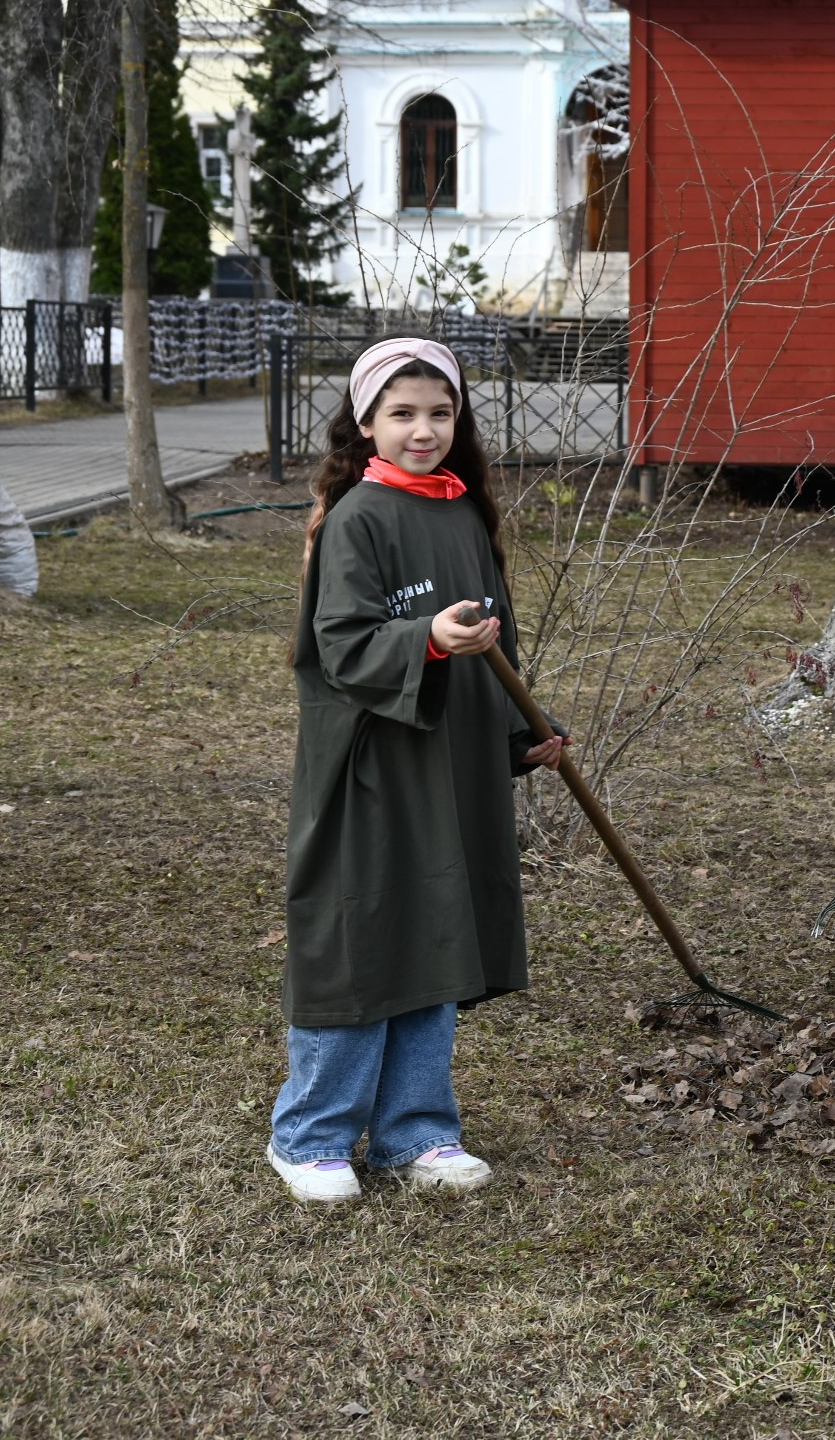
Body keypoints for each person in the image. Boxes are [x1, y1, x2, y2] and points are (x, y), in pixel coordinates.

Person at [266, 337, 566, 1204]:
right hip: (373, 764)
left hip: (452, 764)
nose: (423, 430)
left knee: (436, 931)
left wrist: (520, 732)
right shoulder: (359, 517)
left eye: (440, 412)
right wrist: (426, 637)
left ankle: (416, 1132)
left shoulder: (465, 513)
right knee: (361, 937)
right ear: (366, 424)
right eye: (402, 413)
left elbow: (496, 649)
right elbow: (339, 646)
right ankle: (311, 1137)